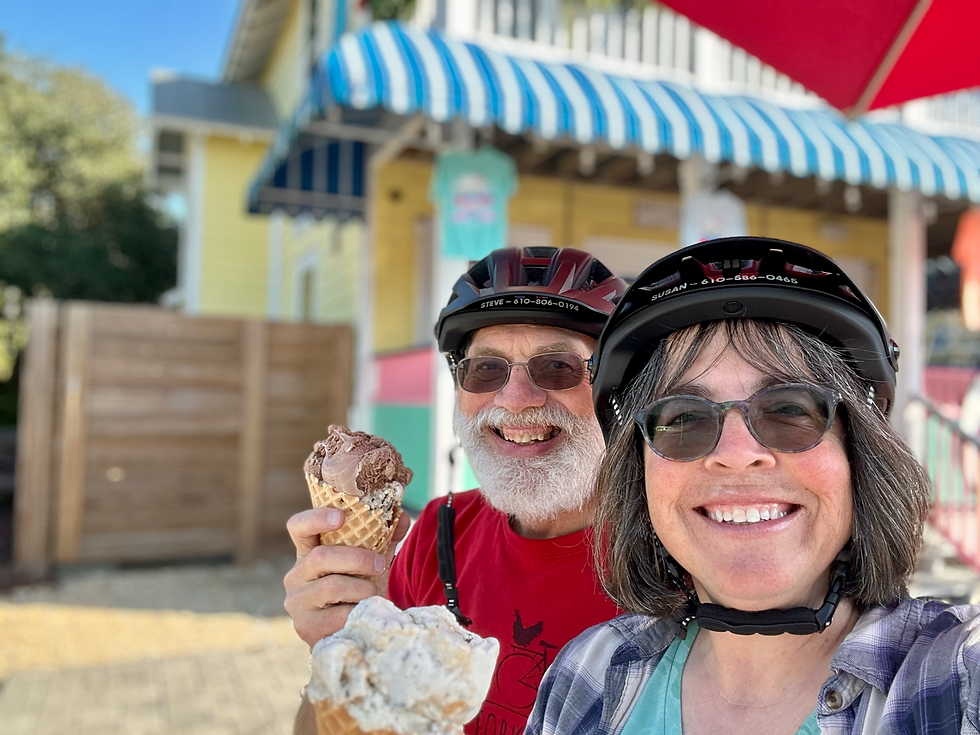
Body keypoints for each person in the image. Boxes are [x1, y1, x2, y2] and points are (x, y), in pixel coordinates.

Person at [527, 236, 980, 735]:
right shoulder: (589, 673)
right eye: (683, 419)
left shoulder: (956, 680)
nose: (737, 456)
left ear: (858, 457)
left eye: (790, 410)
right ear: (641, 478)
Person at [285, 246, 627, 735]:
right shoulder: (437, 534)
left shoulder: (675, 558)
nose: (514, 400)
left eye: (557, 367)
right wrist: (337, 650)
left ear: (615, 389)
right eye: (486, 369)